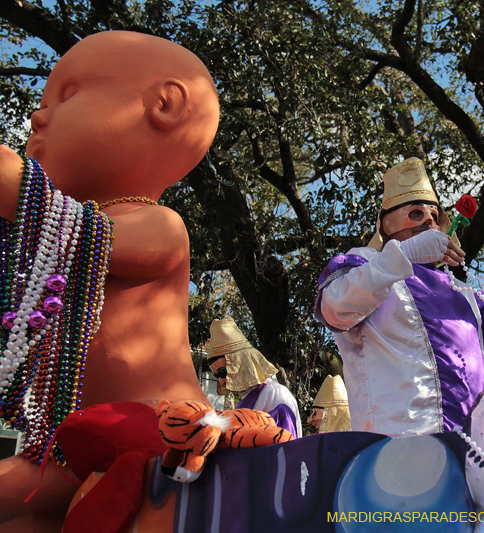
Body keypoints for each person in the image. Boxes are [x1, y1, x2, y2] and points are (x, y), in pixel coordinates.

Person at [0, 31, 219, 530]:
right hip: (67, 442)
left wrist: (20, 191)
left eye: (68, 94)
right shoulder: (52, 235)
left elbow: (95, 238)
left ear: (165, 104)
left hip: (150, 426)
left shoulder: (158, 224)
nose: (38, 115)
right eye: (41, 102)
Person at [315, 157, 484, 436]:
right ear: (387, 224)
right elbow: (334, 308)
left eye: (435, 215)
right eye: (416, 213)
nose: (429, 221)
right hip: (396, 449)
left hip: (472, 451)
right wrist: (403, 255)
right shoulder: (365, 263)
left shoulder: (462, 290)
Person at [206, 317, 302, 438]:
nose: (221, 381)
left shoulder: (274, 394)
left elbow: (287, 445)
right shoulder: (244, 400)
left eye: (223, 372)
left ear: (240, 362)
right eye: (216, 375)